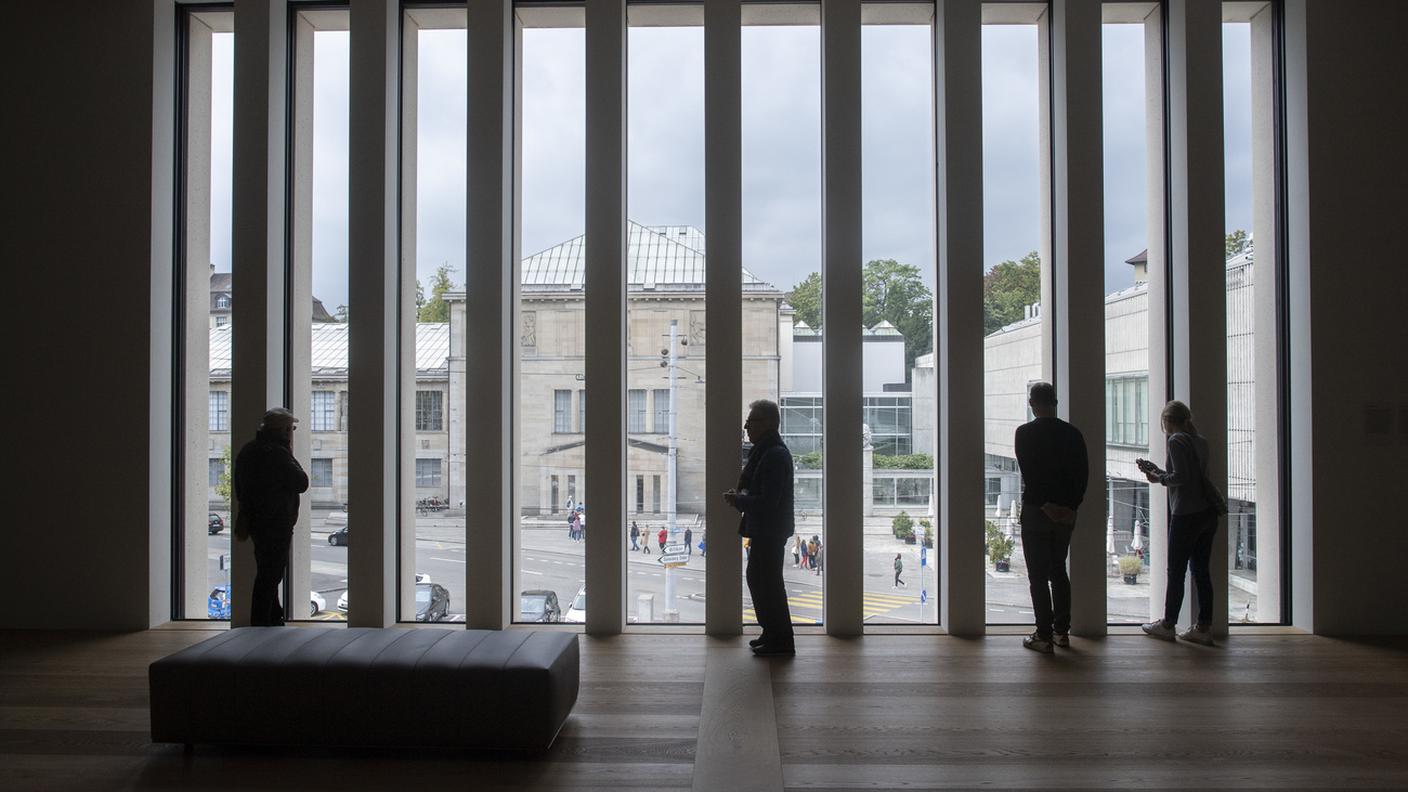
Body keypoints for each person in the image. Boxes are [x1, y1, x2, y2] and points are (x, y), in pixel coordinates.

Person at [1013, 381, 1089, 654]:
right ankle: (1061, 633)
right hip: (1066, 514)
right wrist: (1069, 507)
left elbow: (1030, 474)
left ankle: (1042, 635)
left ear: (1033, 403)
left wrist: (1046, 504)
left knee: (1037, 576)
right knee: (1058, 570)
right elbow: (1083, 476)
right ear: (1054, 402)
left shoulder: (1024, 433)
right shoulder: (1073, 434)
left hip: (1036, 511)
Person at [1139, 400, 1217, 646]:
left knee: (1176, 571)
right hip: (1207, 512)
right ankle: (1203, 627)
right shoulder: (1201, 441)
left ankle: (1168, 624)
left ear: (1167, 422)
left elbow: (1180, 478)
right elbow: (1192, 475)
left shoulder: (1176, 440)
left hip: (1186, 513)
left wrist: (1159, 477)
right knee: (1202, 572)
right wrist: (1163, 474)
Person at [724, 399, 796, 657]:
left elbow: (768, 501)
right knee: (762, 581)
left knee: (767, 583)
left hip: (770, 530)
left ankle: (781, 640)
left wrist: (738, 500)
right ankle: (772, 634)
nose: (746, 426)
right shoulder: (767, 452)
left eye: (751, 421)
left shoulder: (774, 455)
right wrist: (742, 495)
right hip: (767, 530)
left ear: (767, 424)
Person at [233, 408, 309, 627]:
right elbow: (301, 482)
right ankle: (262, 624)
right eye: (291, 428)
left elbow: (240, 487)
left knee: (267, 571)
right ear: (284, 430)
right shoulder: (277, 453)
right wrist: (288, 452)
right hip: (276, 521)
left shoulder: (248, 450)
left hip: (256, 521)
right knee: (271, 574)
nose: (292, 432)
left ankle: (273, 620)